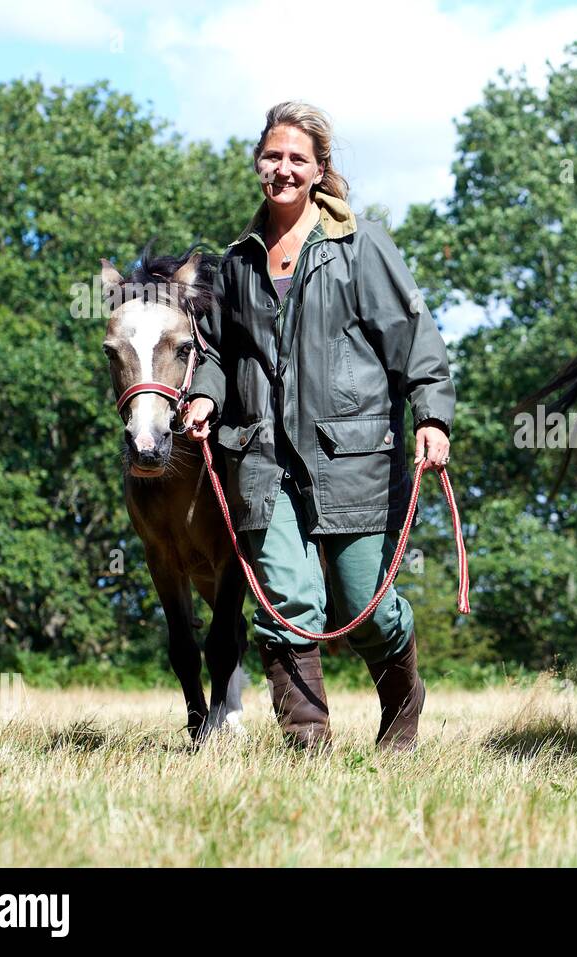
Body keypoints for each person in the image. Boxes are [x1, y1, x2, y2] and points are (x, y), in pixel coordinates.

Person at [182, 102, 455, 752]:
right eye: (271, 156)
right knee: (285, 603)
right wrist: (202, 396)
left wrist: (433, 414)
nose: (282, 168)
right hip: (261, 459)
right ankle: (309, 749)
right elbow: (220, 355)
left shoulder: (361, 247)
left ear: (318, 170)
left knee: (366, 606)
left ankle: (402, 708)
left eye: (296, 158)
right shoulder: (237, 262)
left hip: (353, 456)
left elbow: (414, 336)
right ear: (257, 164)